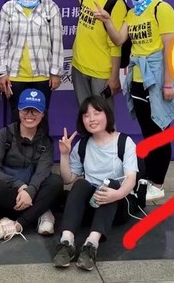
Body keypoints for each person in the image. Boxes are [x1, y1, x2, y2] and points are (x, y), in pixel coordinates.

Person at [93, 0, 174, 203]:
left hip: (157, 80)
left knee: (159, 132)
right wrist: (107, 21)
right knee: (148, 131)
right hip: (137, 79)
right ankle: (150, 179)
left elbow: (170, 49)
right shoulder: (132, 13)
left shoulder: (161, 8)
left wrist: (168, 83)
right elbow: (119, 39)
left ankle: (158, 183)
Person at [31, 0, 126, 110]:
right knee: (85, 118)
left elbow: (116, 45)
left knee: (103, 119)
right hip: (79, 68)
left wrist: (114, 77)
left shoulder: (115, 2)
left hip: (101, 74)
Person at [53, 96, 138, 271]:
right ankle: (66, 242)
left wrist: (117, 194)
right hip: (91, 206)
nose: (91, 119)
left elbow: (131, 178)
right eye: (86, 115)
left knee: (111, 185)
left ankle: (91, 245)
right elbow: (68, 178)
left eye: (96, 113)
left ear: (107, 114)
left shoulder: (124, 142)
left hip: (117, 205)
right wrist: (64, 155)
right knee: (81, 184)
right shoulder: (83, 145)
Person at [0, 89, 63, 242]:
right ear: (19, 111)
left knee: (56, 181)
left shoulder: (46, 141)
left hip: (33, 192)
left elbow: (42, 172)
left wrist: (30, 191)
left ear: (42, 114)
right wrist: (20, 186)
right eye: (25, 110)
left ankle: (17, 225)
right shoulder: (4, 134)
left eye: (35, 111)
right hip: (11, 193)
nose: (29, 115)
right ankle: (41, 212)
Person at [0, 0, 63, 132]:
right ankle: (16, 151)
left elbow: (57, 42)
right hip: (15, 76)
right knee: (16, 121)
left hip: (43, 76)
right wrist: (2, 72)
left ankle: (42, 150)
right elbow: (1, 44)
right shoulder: (8, 8)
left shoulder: (51, 7)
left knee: (41, 120)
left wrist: (55, 72)